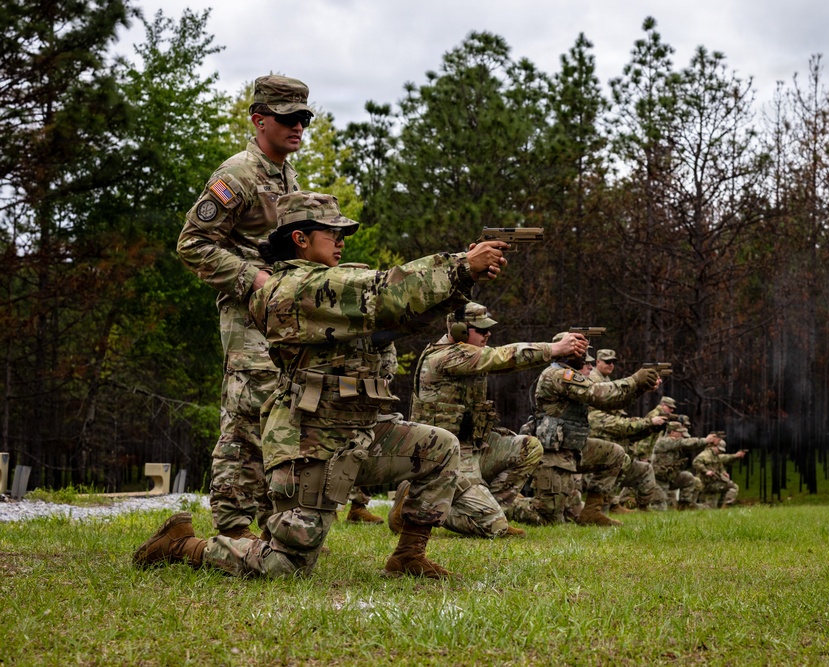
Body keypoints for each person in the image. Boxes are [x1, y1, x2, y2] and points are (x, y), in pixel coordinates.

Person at [134, 191, 508, 578]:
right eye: (333, 233)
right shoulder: (293, 289)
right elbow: (385, 291)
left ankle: (408, 557)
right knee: (285, 565)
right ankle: (181, 544)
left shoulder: (325, 289)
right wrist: (461, 264)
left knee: (440, 447)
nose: (341, 242)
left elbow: (398, 318)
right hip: (310, 443)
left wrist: (463, 279)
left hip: (358, 433)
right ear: (300, 238)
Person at [175, 75, 313, 540]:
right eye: (288, 118)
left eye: (304, 118)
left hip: (282, 312)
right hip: (246, 310)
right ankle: (233, 527)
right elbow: (192, 244)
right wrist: (253, 279)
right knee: (247, 412)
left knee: (278, 411)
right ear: (259, 120)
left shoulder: (286, 175)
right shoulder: (237, 174)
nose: (298, 126)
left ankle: (272, 523)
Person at [403, 303, 588, 538]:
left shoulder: (470, 354)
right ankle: (419, 505)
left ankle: (491, 509)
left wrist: (556, 353)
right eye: (481, 330)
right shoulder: (445, 356)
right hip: (444, 456)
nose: (487, 334)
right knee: (494, 529)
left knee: (529, 447)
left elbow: (507, 362)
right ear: (459, 329)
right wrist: (555, 348)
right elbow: (502, 357)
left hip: (472, 448)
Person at [511, 335, 661, 526]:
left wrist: (639, 387)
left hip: (573, 449)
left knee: (615, 454)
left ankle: (592, 512)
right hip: (553, 453)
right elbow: (598, 394)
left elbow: (611, 402)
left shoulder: (571, 376)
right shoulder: (558, 374)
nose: (585, 356)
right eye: (578, 351)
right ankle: (506, 504)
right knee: (548, 517)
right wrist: (635, 380)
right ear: (563, 352)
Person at [586, 349, 666, 512]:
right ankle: (602, 507)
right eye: (607, 361)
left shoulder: (605, 379)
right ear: (598, 362)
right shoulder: (593, 379)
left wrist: (641, 388)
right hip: (597, 436)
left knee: (627, 461)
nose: (611, 365)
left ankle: (611, 503)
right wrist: (647, 422)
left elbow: (619, 402)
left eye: (613, 362)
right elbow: (608, 418)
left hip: (607, 435)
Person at [650, 422, 716, 509]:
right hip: (658, 480)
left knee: (688, 477)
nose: (682, 435)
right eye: (680, 432)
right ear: (672, 433)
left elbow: (690, 446)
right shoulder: (664, 442)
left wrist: (707, 443)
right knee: (660, 507)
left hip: (670, 478)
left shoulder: (674, 444)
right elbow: (684, 443)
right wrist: (706, 440)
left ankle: (684, 505)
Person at [691, 436, 746, 508]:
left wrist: (724, 472)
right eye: (719, 450)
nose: (720, 452)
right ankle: (724, 506)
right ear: (714, 447)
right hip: (706, 483)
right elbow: (696, 462)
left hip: (712, 482)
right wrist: (706, 471)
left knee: (711, 507)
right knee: (733, 487)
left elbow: (720, 465)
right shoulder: (705, 455)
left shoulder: (715, 456)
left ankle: (721, 506)